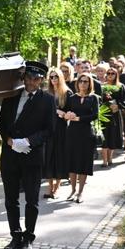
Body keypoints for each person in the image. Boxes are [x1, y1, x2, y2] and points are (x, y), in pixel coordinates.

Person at [0, 61, 55, 249]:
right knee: (11, 199)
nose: (32, 82)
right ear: (24, 78)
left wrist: (29, 142)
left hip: (32, 155)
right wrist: (10, 141)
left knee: (31, 200)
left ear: (41, 80)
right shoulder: (11, 97)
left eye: (36, 79)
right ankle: (15, 236)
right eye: (29, 78)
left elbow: (49, 130)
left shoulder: (47, 100)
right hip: (10, 154)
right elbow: (1, 123)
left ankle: (28, 237)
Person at [59, 72, 99, 203]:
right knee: (72, 162)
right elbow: (64, 110)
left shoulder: (93, 98)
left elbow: (94, 115)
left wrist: (79, 118)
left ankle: (80, 192)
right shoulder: (72, 98)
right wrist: (66, 114)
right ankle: (72, 189)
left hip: (86, 133)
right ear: (77, 83)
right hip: (72, 133)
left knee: (83, 163)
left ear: (89, 84)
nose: (83, 83)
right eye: (81, 81)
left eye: (86, 81)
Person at [43, 67, 72, 199]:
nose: (53, 79)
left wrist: (63, 113)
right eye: (51, 77)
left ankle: (57, 186)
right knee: (48, 155)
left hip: (61, 128)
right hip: (48, 127)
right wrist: (56, 111)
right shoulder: (45, 92)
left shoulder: (67, 93)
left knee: (59, 155)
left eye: (56, 77)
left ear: (60, 78)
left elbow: (70, 113)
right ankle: (49, 187)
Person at [100, 68, 125, 167]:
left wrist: (118, 106)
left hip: (115, 114)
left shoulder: (120, 86)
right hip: (103, 114)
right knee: (104, 136)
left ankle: (110, 158)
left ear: (116, 75)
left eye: (113, 73)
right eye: (108, 73)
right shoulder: (103, 86)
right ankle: (104, 160)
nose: (110, 75)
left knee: (112, 136)